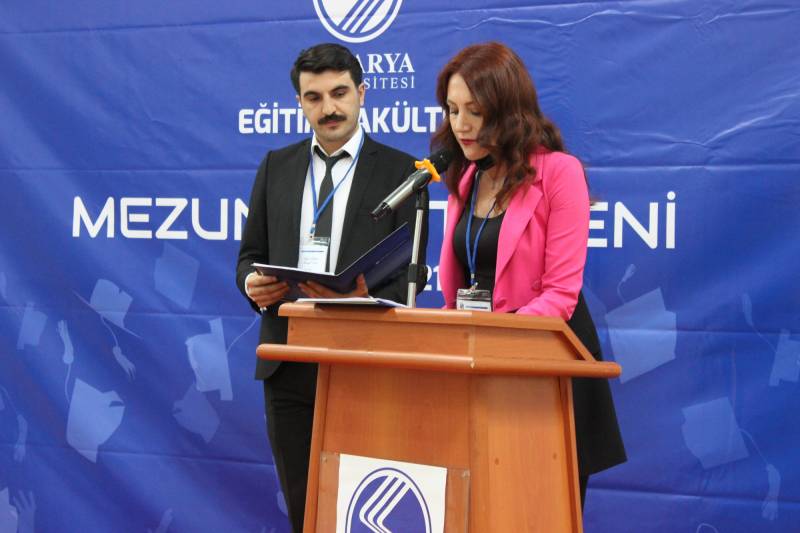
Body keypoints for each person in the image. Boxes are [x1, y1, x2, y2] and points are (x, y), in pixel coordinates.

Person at [236, 43, 428, 532]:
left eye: (339, 93)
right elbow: (248, 256)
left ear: (362, 93)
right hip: (287, 359)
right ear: (300, 103)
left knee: (361, 510)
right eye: (314, 97)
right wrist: (252, 284)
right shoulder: (275, 166)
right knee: (305, 508)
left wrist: (364, 296)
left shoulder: (403, 173)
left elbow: (414, 273)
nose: (329, 108)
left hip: (365, 361)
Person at [433, 42, 626, 506]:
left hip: (545, 368)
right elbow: (457, 290)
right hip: (479, 368)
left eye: (475, 111)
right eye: (453, 110)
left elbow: (560, 295)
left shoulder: (559, 173)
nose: (461, 124)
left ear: (506, 109)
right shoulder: (465, 177)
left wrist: (495, 344)